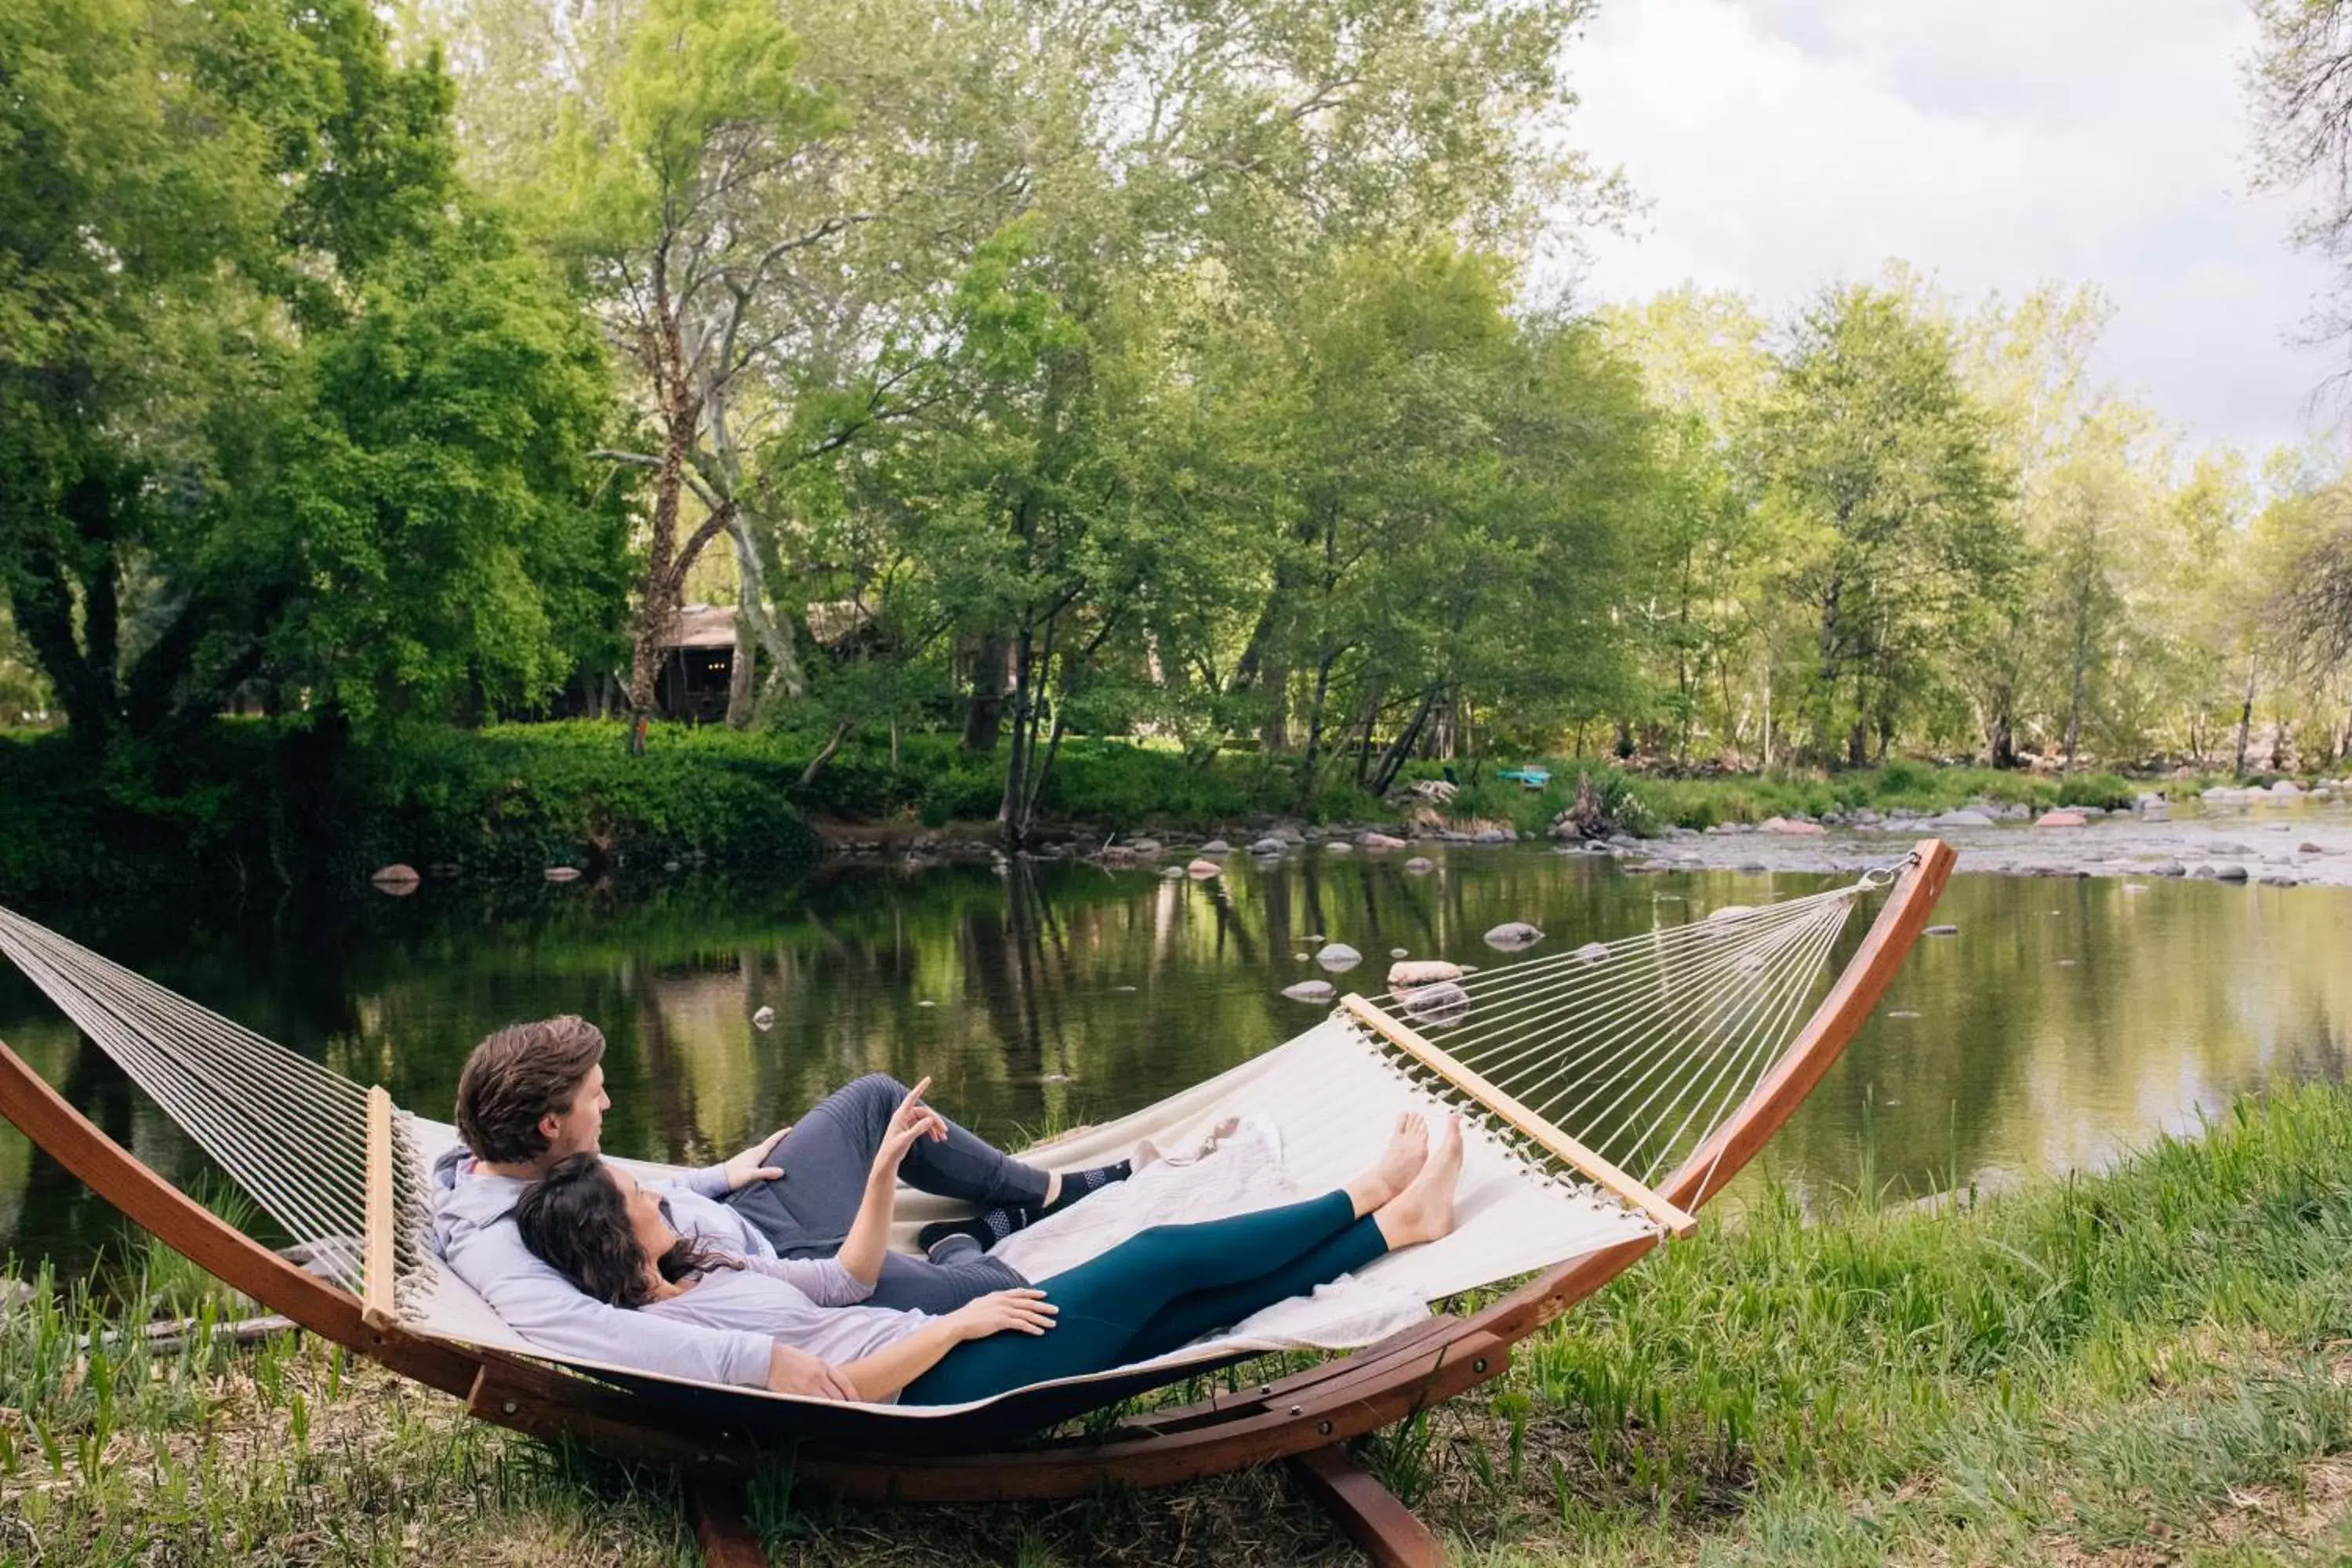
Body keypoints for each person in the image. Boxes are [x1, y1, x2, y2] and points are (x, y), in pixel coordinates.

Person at [510, 1080, 1465, 1406]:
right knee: (1164, 1257)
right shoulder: (677, 1328)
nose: (656, 1187)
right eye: (639, 1190)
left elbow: (845, 1279)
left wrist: (883, 1171)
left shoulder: (704, 1263)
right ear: (611, 1230)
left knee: (1171, 1315)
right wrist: (958, 1323)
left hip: (942, 1345)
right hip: (944, 1379)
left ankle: (1395, 1224)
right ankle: (1371, 1191)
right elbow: (844, 1386)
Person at [429, 1015, 1134, 1399]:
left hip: (749, 1220)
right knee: (1000, 1292)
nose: (609, 1104)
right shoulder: (495, 1242)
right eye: (595, 1097)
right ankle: (961, 1243)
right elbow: (595, 1333)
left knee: (878, 1099)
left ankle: (1046, 1190)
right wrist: (761, 1359)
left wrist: (715, 1177)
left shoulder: (542, 1161)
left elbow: (641, 1201)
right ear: (549, 1126)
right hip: (786, 1285)